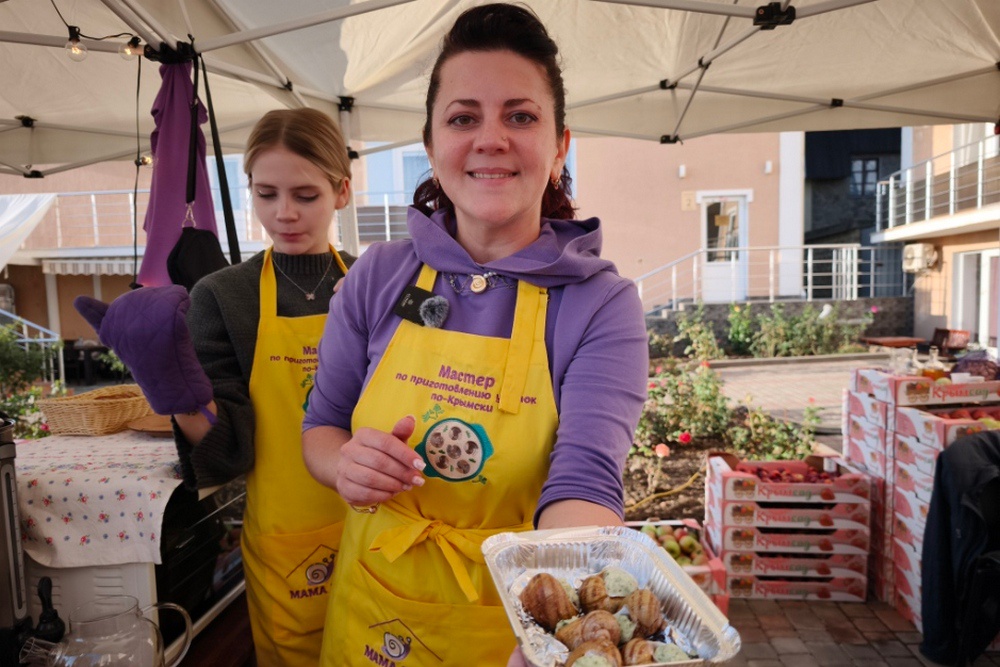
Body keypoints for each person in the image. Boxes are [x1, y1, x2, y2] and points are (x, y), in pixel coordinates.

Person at [301, 4, 648, 666]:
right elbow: (321, 427)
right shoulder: (378, 276)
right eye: (464, 118)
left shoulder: (600, 304)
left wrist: (554, 629)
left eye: (520, 116)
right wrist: (344, 464)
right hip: (371, 608)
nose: (491, 138)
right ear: (431, 145)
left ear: (560, 146)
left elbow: (585, 481)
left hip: (515, 622)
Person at [77, 108, 354, 666]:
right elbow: (229, 449)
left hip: (382, 524)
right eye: (266, 194)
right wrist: (176, 392)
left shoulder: (375, 283)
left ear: (341, 192)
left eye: (305, 195)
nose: (284, 213)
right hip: (288, 537)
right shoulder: (224, 295)